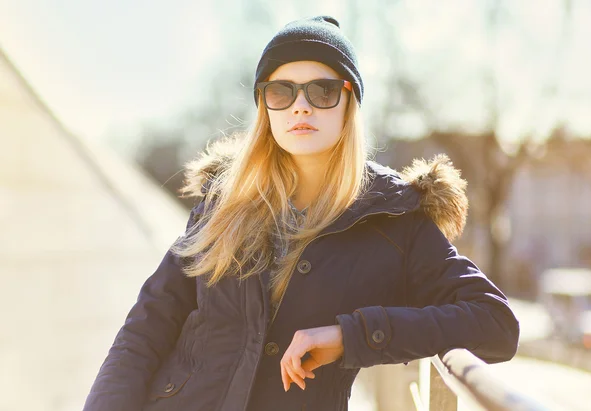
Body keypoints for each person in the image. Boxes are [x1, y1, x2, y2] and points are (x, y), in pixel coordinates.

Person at [83, 15, 520, 411]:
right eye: (281, 91)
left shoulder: (394, 217)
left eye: (323, 90)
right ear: (264, 106)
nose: (301, 106)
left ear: (350, 102)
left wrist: (352, 337)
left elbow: (496, 324)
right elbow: (144, 332)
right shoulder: (222, 205)